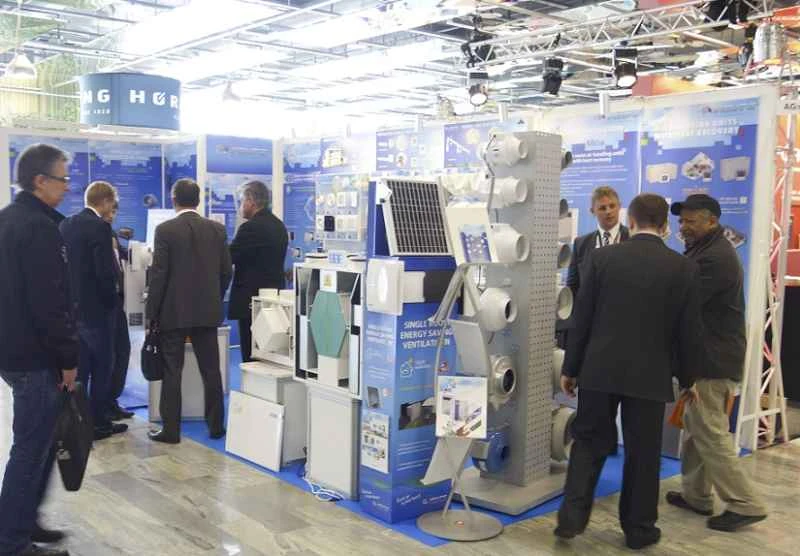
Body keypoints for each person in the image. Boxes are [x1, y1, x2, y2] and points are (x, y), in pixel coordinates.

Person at [556, 193, 700, 550]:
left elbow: (582, 318)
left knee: (588, 443)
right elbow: (687, 332)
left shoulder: (601, 259)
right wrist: (688, 379)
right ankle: (639, 529)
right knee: (643, 453)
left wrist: (571, 368)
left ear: (630, 221)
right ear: (664, 226)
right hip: (649, 376)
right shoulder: (682, 268)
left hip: (599, 370)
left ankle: (571, 519)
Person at [666, 194, 768, 532]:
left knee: (710, 432)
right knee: (697, 428)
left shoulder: (715, 258)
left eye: (691, 221)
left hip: (712, 361)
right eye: (682, 221)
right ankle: (697, 495)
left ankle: (745, 503)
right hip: (708, 357)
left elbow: (684, 301)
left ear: (711, 221)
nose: (684, 227)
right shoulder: (705, 250)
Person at [0, 143, 77, 556]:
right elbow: (50, 303)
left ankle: (25, 520)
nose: (67, 187)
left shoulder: (7, 220)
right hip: (36, 357)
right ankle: (12, 541)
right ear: (40, 181)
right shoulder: (40, 229)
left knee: (39, 446)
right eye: (62, 179)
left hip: (13, 352)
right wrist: (67, 358)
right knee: (31, 450)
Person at [145, 179, 233, 444]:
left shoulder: (165, 230)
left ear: (174, 200)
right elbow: (226, 272)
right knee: (212, 371)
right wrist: (214, 298)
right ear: (198, 200)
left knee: (172, 371)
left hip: (173, 313)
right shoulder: (217, 230)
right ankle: (216, 426)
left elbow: (159, 275)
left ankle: (171, 430)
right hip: (207, 312)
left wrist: (152, 313)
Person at [60, 182, 128, 441]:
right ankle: (99, 423)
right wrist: (112, 302)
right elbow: (104, 273)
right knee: (103, 369)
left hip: (74, 311)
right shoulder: (100, 227)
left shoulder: (65, 225)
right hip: (98, 312)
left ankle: (81, 423)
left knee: (83, 370)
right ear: (107, 201)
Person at [228, 181, 289, 362]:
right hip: (273, 298)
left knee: (251, 355)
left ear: (251, 202)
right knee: (271, 354)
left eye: (242, 201)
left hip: (251, 301)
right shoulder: (279, 226)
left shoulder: (250, 228)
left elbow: (230, 256)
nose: (241, 206)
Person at [566, 185, 630, 296]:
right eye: (602, 208)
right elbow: (573, 286)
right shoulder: (580, 244)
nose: (608, 211)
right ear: (592, 211)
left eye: (612, 206)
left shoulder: (633, 239)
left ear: (619, 206)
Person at [103, 202, 134, 422]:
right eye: (110, 210)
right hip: (104, 306)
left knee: (122, 352)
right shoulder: (96, 235)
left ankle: (112, 400)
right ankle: (103, 405)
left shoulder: (111, 234)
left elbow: (124, 256)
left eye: (115, 211)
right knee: (109, 356)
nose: (112, 215)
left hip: (118, 303)